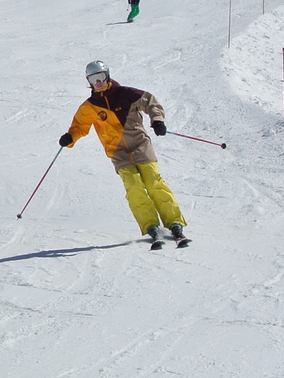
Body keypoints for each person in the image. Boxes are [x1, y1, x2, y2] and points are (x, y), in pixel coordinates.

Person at [57, 62, 187, 247]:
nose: (98, 82)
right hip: (118, 152)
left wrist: (157, 120)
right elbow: (79, 126)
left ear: (107, 75)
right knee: (133, 187)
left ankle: (174, 222)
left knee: (153, 182)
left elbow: (150, 102)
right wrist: (70, 137)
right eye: (93, 79)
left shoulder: (126, 94)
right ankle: (151, 226)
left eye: (101, 77)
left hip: (140, 145)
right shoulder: (90, 106)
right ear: (89, 82)